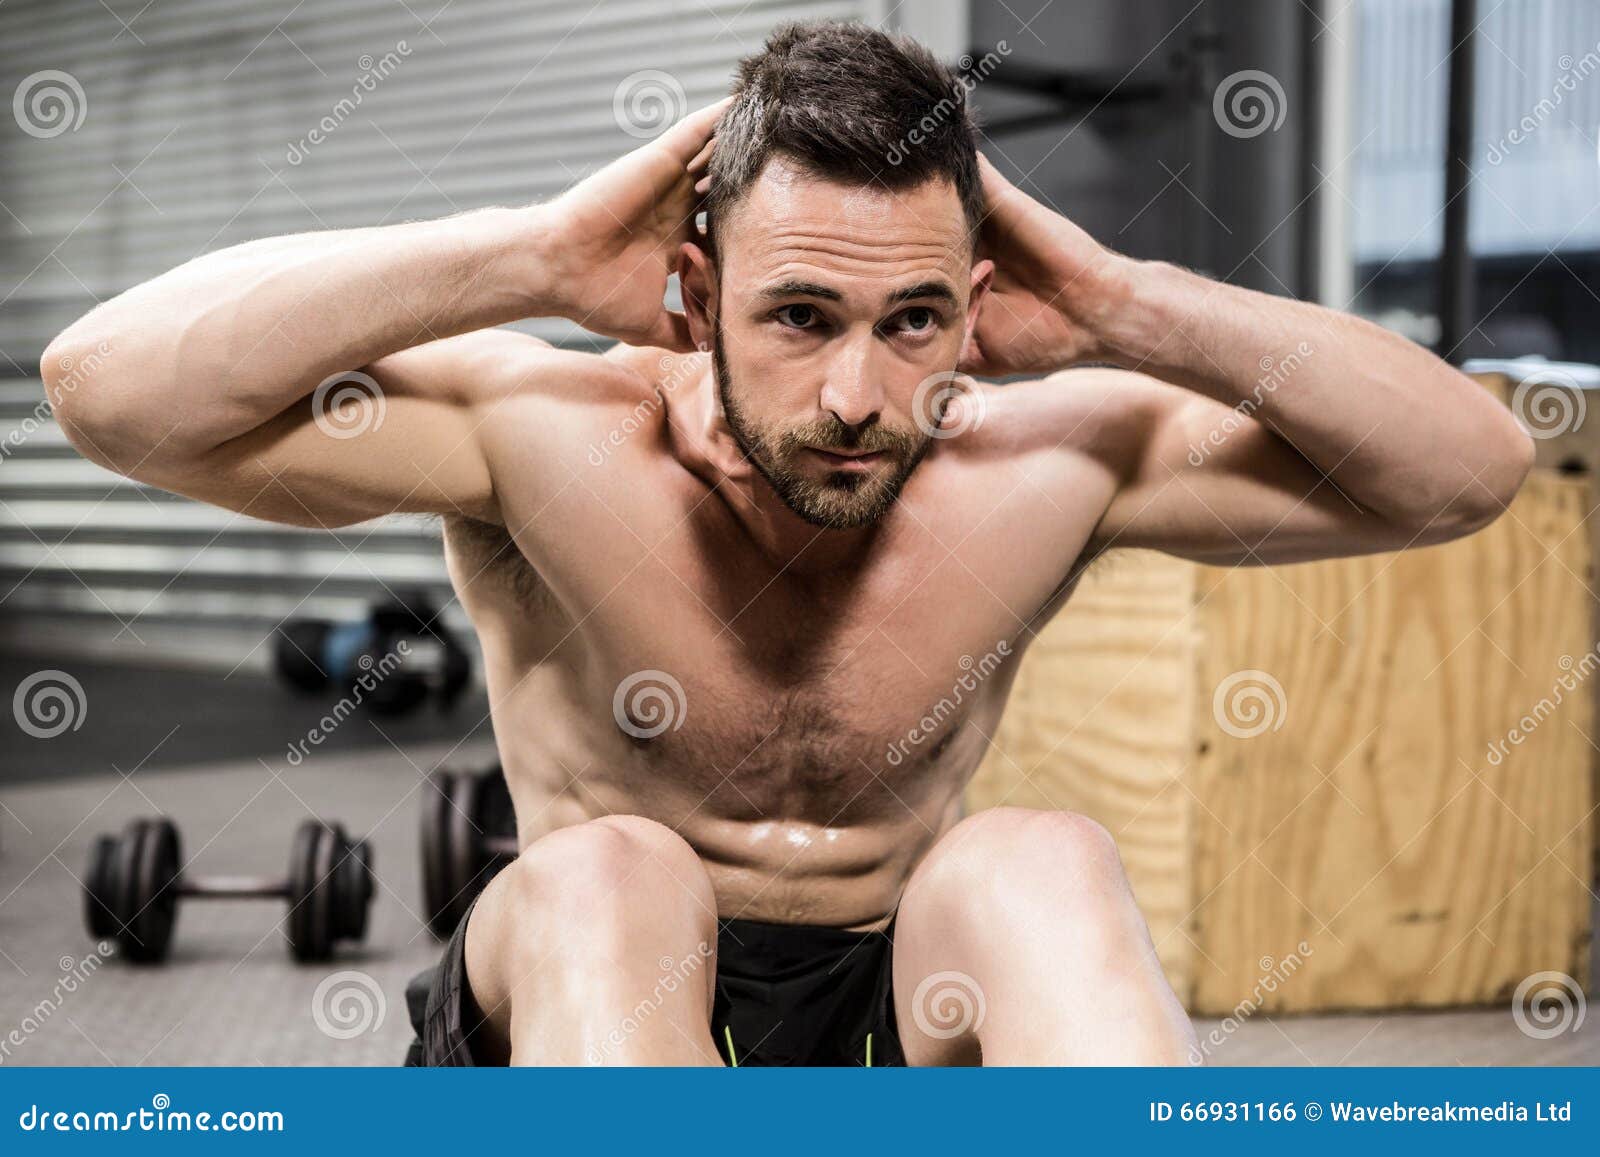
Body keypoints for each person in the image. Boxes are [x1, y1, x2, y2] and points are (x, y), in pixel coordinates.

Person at [44, 21, 1533, 1065]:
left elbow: (1468, 470)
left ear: (973, 303)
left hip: (889, 1007)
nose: (855, 398)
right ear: (693, 295)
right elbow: (108, 393)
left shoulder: (1044, 454)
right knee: (610, 878)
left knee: (1043, 860)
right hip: (582, 1002)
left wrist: (1125, 306)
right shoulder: (541, 428)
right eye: (801, 316)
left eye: (912, 323)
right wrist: (528, 258)